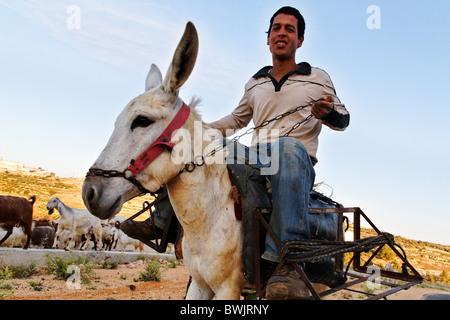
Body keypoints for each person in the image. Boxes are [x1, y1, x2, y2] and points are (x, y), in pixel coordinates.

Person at [121, 6, 350, 300]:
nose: (282, 33)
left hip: (295, 159)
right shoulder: (255, 83)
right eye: (276, 28)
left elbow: (343, 118)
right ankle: (161, 220)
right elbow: (237, 120)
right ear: (268, 39)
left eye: (289, 29)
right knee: (189, 147)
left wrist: (329, 112)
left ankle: (287, 260)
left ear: (300, 40)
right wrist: (200, 131)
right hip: (255, 157)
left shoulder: (317, 77)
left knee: (289, 147)